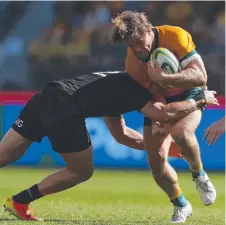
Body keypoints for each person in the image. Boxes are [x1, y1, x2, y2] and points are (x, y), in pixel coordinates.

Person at [1, 71, 217, 221]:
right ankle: (20, 201)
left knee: (4, 155)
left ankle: (18, 203)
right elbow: (164, 113)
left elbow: (122, 135)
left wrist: (164, 149)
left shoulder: (116, 84)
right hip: (65, 107)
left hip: (47, 95)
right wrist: (199, 99)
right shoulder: (137, 91)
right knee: (81, 171)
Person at [110, 11, 217, 223]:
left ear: (148, 30)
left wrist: (166, 77)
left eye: (141, 42)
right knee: (155, 160)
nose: (139, 50)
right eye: (132, 46)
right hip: (164, 100)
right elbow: (153, 91)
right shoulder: (132, 63)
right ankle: (181, 204)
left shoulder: (175, 35)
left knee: (181, 133)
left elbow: (200, 76)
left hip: (192, 93)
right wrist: (160, 113)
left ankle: (199, 176)